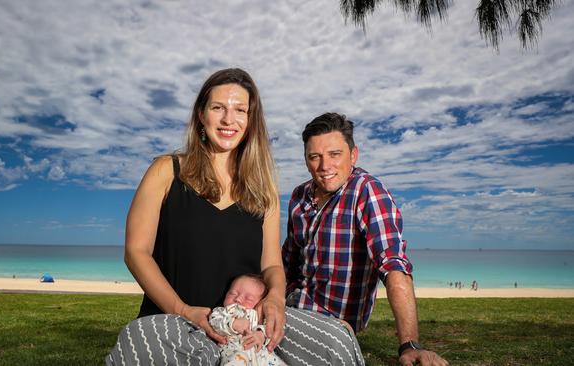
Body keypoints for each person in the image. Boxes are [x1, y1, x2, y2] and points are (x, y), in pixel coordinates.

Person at [107, 70, 361, 365]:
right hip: (178, 320)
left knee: (336, 342)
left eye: (240, 110)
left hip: (249, 324)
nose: (229, 120)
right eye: (218, 108)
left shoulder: (263, 186)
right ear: (201, 114)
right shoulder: (166, 171)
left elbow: (271, 264)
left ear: (251, 120)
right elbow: (136, 252)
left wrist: (276, 300)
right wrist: (183, 309)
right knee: (138, 345)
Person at [282, 112, 449, 366]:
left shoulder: (366, 191)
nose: (324, 166)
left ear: (353, 155)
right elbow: (287, 264)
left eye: (334, 154)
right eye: (314, 157)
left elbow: (393, 264)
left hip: (332, 327)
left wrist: (410, 344)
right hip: (288, 309)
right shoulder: (298, 196)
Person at [209, 274, 286, 366]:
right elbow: (214, 322)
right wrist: (232, 324)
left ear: (260, 303)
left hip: (263, 356)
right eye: (232, 293)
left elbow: (271, 328)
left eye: (248, 299)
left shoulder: (259, 314)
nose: (238, 299)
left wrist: (261, 335)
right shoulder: (222, 312)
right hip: (235, 351)